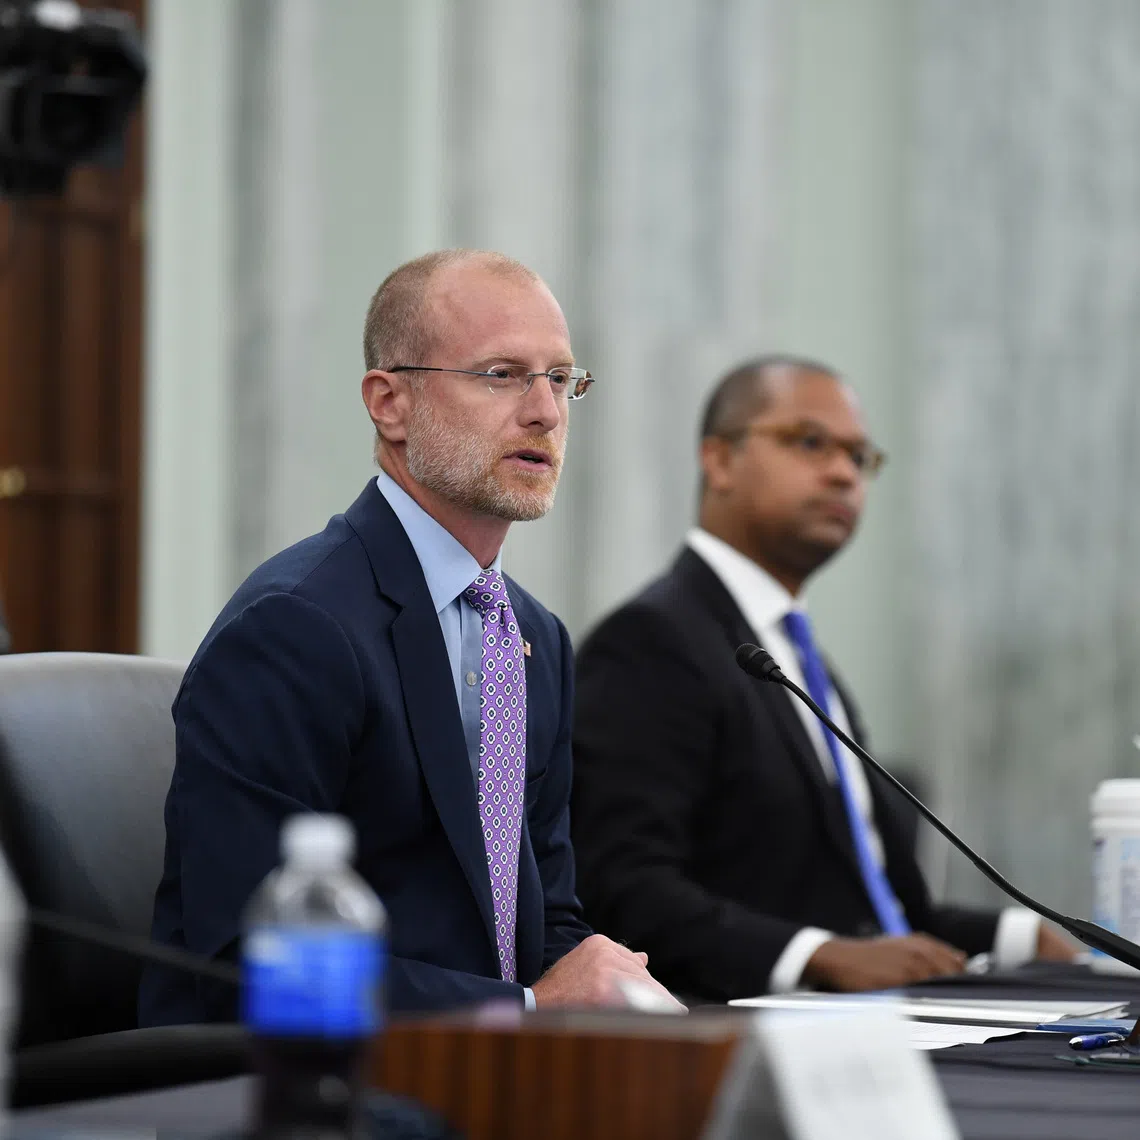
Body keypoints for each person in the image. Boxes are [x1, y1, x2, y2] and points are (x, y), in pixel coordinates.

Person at [139, 249, 680, 1024]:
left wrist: (608, 990)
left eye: (561, 379)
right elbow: (251, 966)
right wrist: (527, 1007)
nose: (546, 413)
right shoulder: (295, 630)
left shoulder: (533, 638)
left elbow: (546, 916)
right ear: (389, 402)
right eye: (501, 374)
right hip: (297, 1090)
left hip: (487, 1077)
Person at [570, 356, 1074, 1001]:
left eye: (859, 457)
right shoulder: (653, 640)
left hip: (887, 1015)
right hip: (743, 1040)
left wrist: (1020, 935)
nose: (842, 472)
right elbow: (623, 887)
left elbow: (888, 917)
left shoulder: (795, 656)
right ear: (719, 460)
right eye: (809, 443)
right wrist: (815, 956)